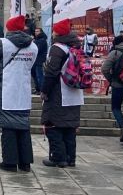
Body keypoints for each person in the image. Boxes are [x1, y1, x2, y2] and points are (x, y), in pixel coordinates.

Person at [0, 15, 38, 172]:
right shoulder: (33, 46)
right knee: (23, 126)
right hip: (23, 89)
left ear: (10, 28)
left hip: (6, 88)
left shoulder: (4, 43)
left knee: (8, 126)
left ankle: (10, 162)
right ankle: (25, 162)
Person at [41, 19, 82, 168]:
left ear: (57, 32)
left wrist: (44, 90)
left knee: (54, 125)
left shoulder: (57, 48)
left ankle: (58, 158)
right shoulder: (76, 46)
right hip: (75, 92)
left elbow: (51, 72)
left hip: (59, 91)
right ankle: (71, 158)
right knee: (70, 127)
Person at [32, 28, 48, 95]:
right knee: (35, 75)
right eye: (35, 31)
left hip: (39, 60)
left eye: (37, 31)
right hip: (34, 60)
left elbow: (37, 49)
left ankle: (41, 90)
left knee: (39, 75)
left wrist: (33, 43)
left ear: (41, 32)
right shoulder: (37, 40)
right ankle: (37, 89)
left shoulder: (42, 40)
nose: (36, 32)